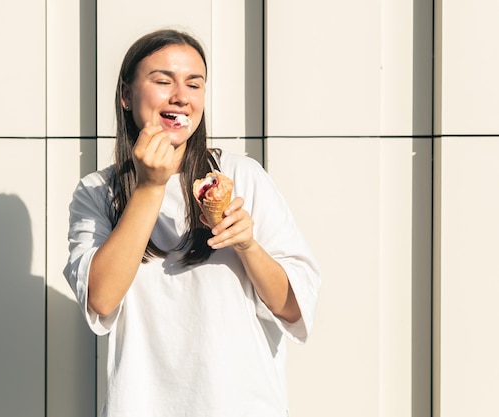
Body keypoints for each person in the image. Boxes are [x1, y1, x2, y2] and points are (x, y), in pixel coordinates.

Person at [64, 28, 321, 417]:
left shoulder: (241, 176)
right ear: (126, 95)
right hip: (142, 405)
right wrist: (150, 187)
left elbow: (293, 307)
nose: (181, 96)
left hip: (243, 404)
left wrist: (248, 245)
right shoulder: (98, 191)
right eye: (163, 80)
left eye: (194, 84)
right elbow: (101, 298)